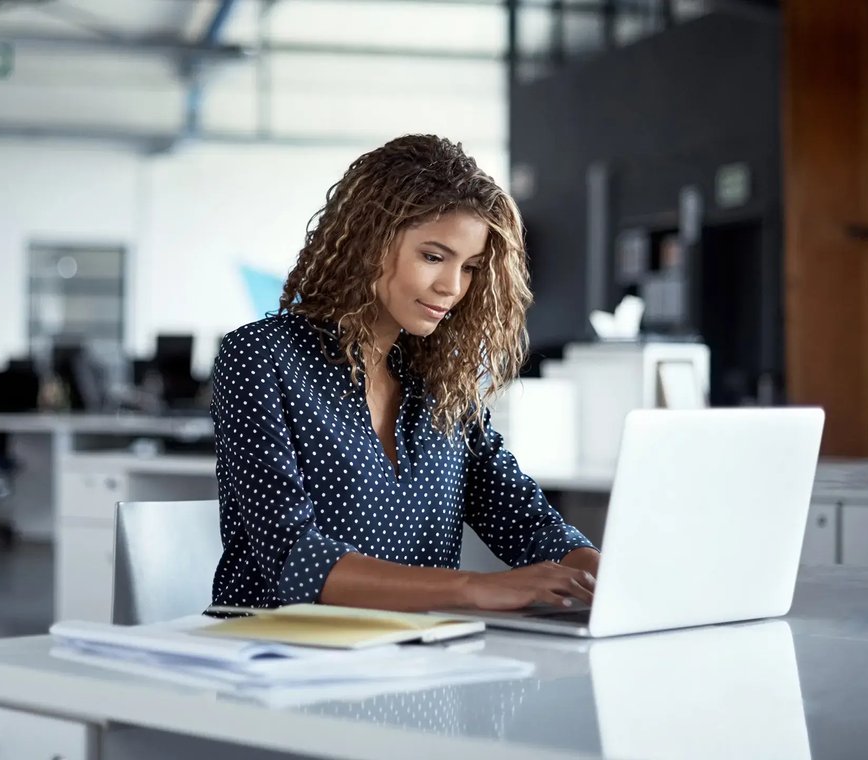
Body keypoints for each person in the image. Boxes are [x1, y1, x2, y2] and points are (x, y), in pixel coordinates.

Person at [210, 134, 599, 612]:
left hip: (419, 662)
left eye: (471, 267)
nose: (452, 287)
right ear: (366, 242)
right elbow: (295, 559)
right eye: (433, 256)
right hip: (280, 659)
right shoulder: (260, 357)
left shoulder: (441, 381)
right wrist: (477, 587)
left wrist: (608, 579)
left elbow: (525, 521)